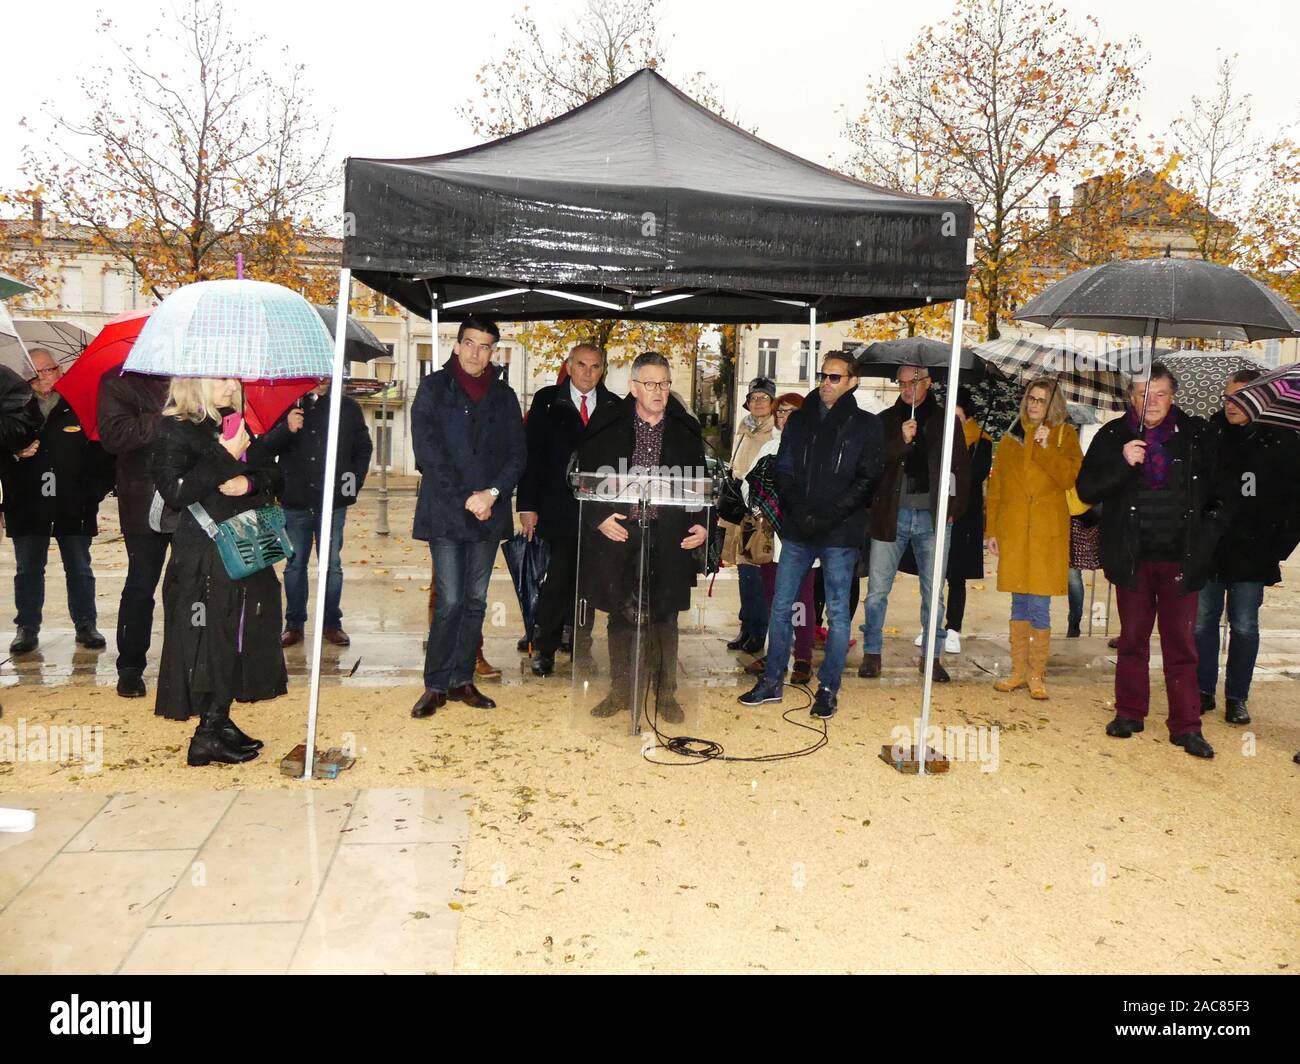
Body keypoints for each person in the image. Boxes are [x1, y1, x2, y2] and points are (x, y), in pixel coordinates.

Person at [1076, 362, 1225, 759]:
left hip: (1181, 558)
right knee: (1132, 639)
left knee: (1181, 645)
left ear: (1172, 396)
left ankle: (1186, 725)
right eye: (1143, 394)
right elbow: (1087, 489)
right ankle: (1129, 712)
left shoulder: (1196, 435)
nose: (1151, 402)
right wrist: (1122, 462)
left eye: (1159, 393)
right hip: (1133, 557)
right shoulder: (1113, 435)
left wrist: (1206, 543)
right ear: (1130, 398)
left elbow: (1219, 494)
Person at [150, 377, 287, 765]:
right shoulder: (172, 429)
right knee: (208, 639)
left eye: (234, 378)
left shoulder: (233, 421)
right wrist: (225, 456)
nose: (232, 387)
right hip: (203, 557)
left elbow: (274, 476)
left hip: (244, 547)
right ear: (194, 381)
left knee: (238, 636)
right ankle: (206, 735)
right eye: (222, 378)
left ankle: (219, 718)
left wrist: (249, 482)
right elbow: (177, 492)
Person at [739, 351, 883, 719]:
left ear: (852, 381)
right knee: (781, 605)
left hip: (840, 531)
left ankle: (829, 688)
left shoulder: (866, 425)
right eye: (823, 375)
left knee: (836, 612)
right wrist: (797, 511)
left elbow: (868, 479)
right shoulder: (801, 420)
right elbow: (783, 468)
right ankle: (772, 681)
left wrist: (830, 514)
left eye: (835, 377)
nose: (826, 382)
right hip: (799, 528)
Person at [575, 352, 708, 725]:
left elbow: (699, 485)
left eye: (664, 383)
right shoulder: (607, 423)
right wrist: (599, 518)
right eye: (650, 384)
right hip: (621, 534)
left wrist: (701, 523)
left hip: (668, 537)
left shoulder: (685, 429)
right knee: (620, 616)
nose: (659, 391)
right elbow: (584, 479)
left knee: (665, 617)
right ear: (633, 387)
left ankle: (665, 694)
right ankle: (620, 690)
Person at [410, 316, 525, 719]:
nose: (477, 353)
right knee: (451, 598)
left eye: (486, 346)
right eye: (470, 344)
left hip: (488, 514)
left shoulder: (505, 396)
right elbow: (427, 452)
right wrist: (468, 498)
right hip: (445, 510)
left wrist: (492, 494)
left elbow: (517, 455)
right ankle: (435, 684)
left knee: (476, 600)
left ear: (494, 351)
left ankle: (462, 679)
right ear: (457, 345)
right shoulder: (433, 389)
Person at [1195, 369, 1300, 725]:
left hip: (1253, 555)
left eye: (1239, 397)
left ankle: (1237, 697)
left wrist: (1277, 548)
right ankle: (1202, 689)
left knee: (1243, 626)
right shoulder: (1209, 435)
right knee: (1202, 623)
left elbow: (1295, 502)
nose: (1231, 405)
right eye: (1227, 398)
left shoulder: (1283, 442)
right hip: (1211, 551)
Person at [859, 364, 971, 683]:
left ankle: (931, 657)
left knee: (933, 592)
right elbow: (873, 464)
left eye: (914, 382)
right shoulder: (885, 421)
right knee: (878, 591)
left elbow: (961, 469)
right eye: (902, 383)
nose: (907, 388)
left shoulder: (945, 421)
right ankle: (872, 651)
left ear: (928, 382)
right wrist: (900, 441)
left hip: (933, 518)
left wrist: (954, 509)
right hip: (892, 515)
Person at [2, 348, 114, 655]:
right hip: (26, 502)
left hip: (73, 503)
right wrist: (15, 453)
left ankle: (86, 625)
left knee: (79, 567)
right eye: (37, 373)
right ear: (27, 376)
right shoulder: (14, 406)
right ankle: (26, 628)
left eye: (49, 370)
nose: (44, 377)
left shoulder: (79, 404)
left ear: (60, 369)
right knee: (28, 569)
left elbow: (103, 455)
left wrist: (91, 493)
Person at [518, 342, 619, 676]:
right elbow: (530, 457)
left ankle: (580, 647)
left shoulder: (613, 406)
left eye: (594, 367)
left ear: (602, 370)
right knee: (557, 580)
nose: (587, 373)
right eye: (581, 365)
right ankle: (544, 648)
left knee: (588, 584)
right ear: (568, 365)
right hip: (557, 509)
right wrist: (527, 506)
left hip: (598, 515)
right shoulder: (547, 400)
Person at [985, 378, 1083, 700]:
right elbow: (996, 487)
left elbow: (1070, 477)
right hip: (1015, 530)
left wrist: (1044, 449)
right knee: (1018, 603)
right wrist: (992, 531)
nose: (1034, 405)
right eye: (1031, 398)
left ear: (1053, 405)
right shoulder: (1012, 437)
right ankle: (1017, 671)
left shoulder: (1065, 436)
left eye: (1041, 400)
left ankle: (1036, 674)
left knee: (1039, 604)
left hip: (1046, 535)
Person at [264, 377, 373, 649]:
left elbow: (363, 449)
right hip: (295, 501)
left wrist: (349, 486)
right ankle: (294, 624)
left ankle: (331, 623)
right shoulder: (288, 406)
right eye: (318, 373)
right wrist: (287, 429)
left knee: (331, 566)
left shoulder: (347, 408)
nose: (323, 379)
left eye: (329, 372)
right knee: (295, 565)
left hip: (332, 503)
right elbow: (264, 449)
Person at [98, 369, 174, 697]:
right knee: (141, 585)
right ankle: (130, 666)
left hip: (194, 495)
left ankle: (185, 661)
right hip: (143, 500)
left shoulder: (200, 374)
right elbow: (114, 436)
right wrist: (168, 417)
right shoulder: (117, 380)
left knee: (190, 586)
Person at [903, 386, 992, 653]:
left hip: (966, 513)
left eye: (959, 418)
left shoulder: (982, 440)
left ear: (968, 417)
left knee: (957, 574)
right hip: (938, 510)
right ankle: (930, 625)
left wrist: (962, 461)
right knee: (933, 574)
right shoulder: (938, 437)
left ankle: (953, 628)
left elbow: (974, 476)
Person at [742, 392, 815, 685]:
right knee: (774, 598)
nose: (785, 417)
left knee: (801, 600)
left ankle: (802, 657)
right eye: (781, 412)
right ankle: (777, 654)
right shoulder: (769, 448)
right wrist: (763, 501)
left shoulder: (812, 450)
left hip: (802, 537)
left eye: (791, 412)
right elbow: (748, 487)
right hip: (771, 538)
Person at [721, 377, 777, 655]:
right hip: (739, 508)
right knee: (744, 571)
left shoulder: (773, 432)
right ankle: (746, 627)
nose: (757, 402)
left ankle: (759, 630)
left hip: (758, 512)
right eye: (754, 397)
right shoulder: (744, 428)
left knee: (756, 572)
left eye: (763, 398)